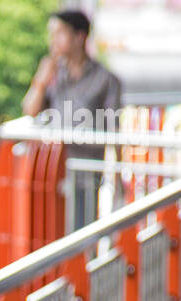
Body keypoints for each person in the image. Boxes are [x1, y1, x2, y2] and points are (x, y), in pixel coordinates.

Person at [22, 10, 123, 228]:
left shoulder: (106, 79)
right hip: (50, 171)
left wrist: (119, 178)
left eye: (59, 33)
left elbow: (114, 130)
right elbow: (30, 111)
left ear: (79, 37)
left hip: (86, 173)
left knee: (82, 232)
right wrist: (40, 81)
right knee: (48, 230)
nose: (53, 40)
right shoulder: (53, 74)